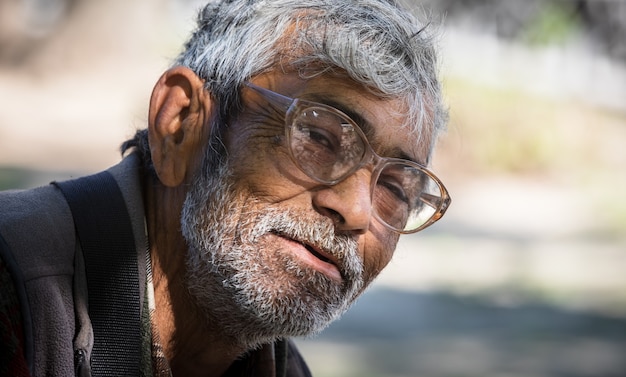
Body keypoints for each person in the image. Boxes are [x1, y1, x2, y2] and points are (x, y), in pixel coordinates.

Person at [0, 0, 451, 376]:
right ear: (180, 125)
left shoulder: (278, 367)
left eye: (395, 186)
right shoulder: (17, 290)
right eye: (318, 137)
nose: (355, 210)